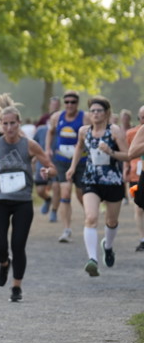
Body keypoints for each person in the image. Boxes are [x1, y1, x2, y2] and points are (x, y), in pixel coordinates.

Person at [0, 95, 56, 302]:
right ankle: (4, 264)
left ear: (19, 123)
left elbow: (51, 167)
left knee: (18, 245)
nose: (9, 127)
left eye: (13, 123)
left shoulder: (30, 145)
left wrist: (47, 171)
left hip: (22, 201)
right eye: (5, 124)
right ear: (0, 125)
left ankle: (16, 287)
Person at [66, 96, 129, 277]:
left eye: (98, 111)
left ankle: (107, 247)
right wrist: (72, 167)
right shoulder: (84, 131)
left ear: (106, 113)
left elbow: (127, 155)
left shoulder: (114, 131)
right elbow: (79, 147)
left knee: (111, 221)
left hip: (112, 180)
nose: (95, 114)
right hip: (91, 179)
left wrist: (110, 151)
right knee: (91, 217)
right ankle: (92, 260)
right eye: (92, 111)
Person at [45, 90, 86, 242]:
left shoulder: (85, 117)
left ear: (77, 103)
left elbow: (91, 134)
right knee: (66, 193)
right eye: (67, 102)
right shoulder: (57, 117)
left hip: (81, 161)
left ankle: (90, 219)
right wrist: (47, 148)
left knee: (81, 194)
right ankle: (66, 230)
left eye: (73, 102)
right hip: (61, 160)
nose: (69, 105)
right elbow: (50, 132)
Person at [124, 105, 144, 252]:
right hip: (137, 174)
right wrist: (126, 168)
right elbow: (130, 153)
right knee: (139, 207)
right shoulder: (136, 132)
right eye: (142, 117)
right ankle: (142, 239)